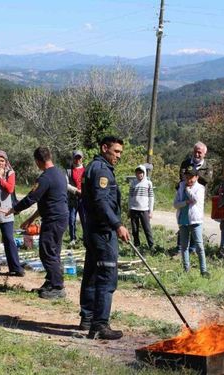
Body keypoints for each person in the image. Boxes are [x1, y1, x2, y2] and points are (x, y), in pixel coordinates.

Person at [79, 136, 130, 340]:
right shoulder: (101, 170)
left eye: (120, 153)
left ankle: (88, 319)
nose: (118, 156)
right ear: (104, 148)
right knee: (107, 277)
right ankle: (100, 325)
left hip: (93, 230)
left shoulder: (93, 167)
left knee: (91, 274)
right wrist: (117, 225)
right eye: (116, 151)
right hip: (102, 232)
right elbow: (101, 203)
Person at [6, 146, 69, 299]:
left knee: (47, 252)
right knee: (53, 252)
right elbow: (47, 202)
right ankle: (50, 281)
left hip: (54, 219)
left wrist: (14, 209)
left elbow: (31, 198)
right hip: (59, 217)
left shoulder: (45, 178)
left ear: (37, 161)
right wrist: (30, 219)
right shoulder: (59, 174)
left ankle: (57, 287)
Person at [174, 165, 209, 276]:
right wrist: (185, 202)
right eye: (187, 176)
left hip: (195, 221)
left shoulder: (200, 188)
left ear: (196, 177)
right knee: (184, 246)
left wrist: (188, 190)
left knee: (199, 246)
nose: (189, 179)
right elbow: (175, 204)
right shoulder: (180, 187)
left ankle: (203, 270)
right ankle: (186, 269)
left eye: (192, 177)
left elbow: (195, 199)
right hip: (182, 220)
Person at [128, 164, 154, 251]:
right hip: (134, 209)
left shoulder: (148, 183)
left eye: (141, 173)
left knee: (147, 228)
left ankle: (151, 246)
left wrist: (151, 211)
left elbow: (151, 198)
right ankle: (136, 245)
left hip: (144, 210)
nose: (139, 175)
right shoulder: (133, 183)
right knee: (135, 229)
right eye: (138, 173)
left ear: (144, 173)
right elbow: (130, 197)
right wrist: (129, 208)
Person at [66, 150, 86, 247]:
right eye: (76, 157)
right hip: (73, 199)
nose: (78, 160)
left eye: (79, 157)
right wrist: (76, 191)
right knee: (71, 219)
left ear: (82, 158)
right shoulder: (68, 171)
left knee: (84, 219)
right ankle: (72, 238)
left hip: (84, 199)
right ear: (73, 158)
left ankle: (86, 237)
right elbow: (66, 184)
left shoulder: (86, 170)